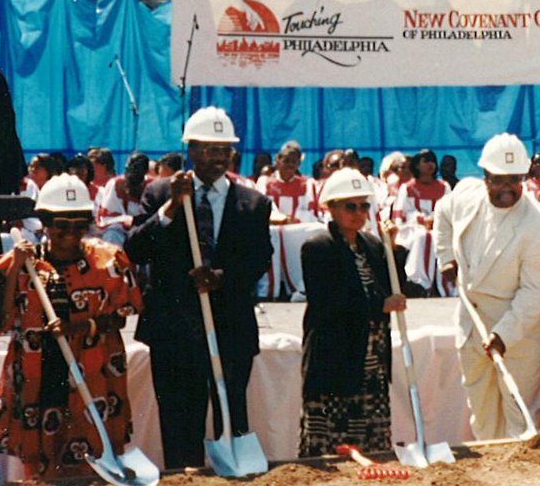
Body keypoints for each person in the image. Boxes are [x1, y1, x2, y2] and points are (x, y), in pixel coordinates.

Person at [125, 106, 273, 469]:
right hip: (175, 329)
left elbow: (258, 259)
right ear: (190, 149)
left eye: (224, 149)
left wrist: (222, 277)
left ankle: (234, 472)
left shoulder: (253, 203)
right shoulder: (159, 194)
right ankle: (184, 474)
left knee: (230, 410)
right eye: (209, 148)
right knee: (179, 419)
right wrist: (173, 207)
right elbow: (135, 249)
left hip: (231, 327)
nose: (218, 157)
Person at [0, 174, 142, 479]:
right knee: (42, 456)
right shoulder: (22, 260)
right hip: (40, 371)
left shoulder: (109, 260)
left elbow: (120, 316)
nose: (70, 234)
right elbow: (2, 320)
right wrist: (14, 270)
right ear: (45, 223)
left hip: (92, 369)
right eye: (61, 225)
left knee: (90, 448)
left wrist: (80, 328)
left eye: (79, 226)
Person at [436, 134, 540, 440]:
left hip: (519, 336)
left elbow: (536, 294)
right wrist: (446, 258)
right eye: (499, 179)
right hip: (471, 327)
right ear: (485, 177)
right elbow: (442, 213)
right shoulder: (465, 195)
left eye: (515, 180)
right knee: (482, 416)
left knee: (519, 420)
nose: (507, 187)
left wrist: (503, 335)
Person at [298, 168, 407, 457]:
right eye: (350, 206)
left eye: (364, 206)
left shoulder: (371, 244)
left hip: (371, 361)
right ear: (331, 208)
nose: (359, 213)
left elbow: (393, 286)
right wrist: (377, 307)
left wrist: (391, 247)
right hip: (335, 359)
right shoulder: (318, 247)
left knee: (372, 441)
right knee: (331, 446)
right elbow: (327, 303)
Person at [392, 148, 449, 295]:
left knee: (437, 236)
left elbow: (449, 210)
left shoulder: (444, 187)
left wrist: (435, 219)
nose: (431, 164)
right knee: (424, 236)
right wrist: (422, 220)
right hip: (413, 228)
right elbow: (401, 214)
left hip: (439, 226)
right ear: (417, 165)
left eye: (433, 161)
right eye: (426, 161)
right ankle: (418, 281)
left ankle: (444, 283)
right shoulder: (408, 188)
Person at [93, 151, 151, 246]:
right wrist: (125, 220)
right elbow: (106, 217)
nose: (131, 172)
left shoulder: (152, 186)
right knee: (111, 235)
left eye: (136, 169)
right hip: (119, 230)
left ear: (145, 171)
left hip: (144, 232)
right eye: (129, 168)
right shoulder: (115, 184)